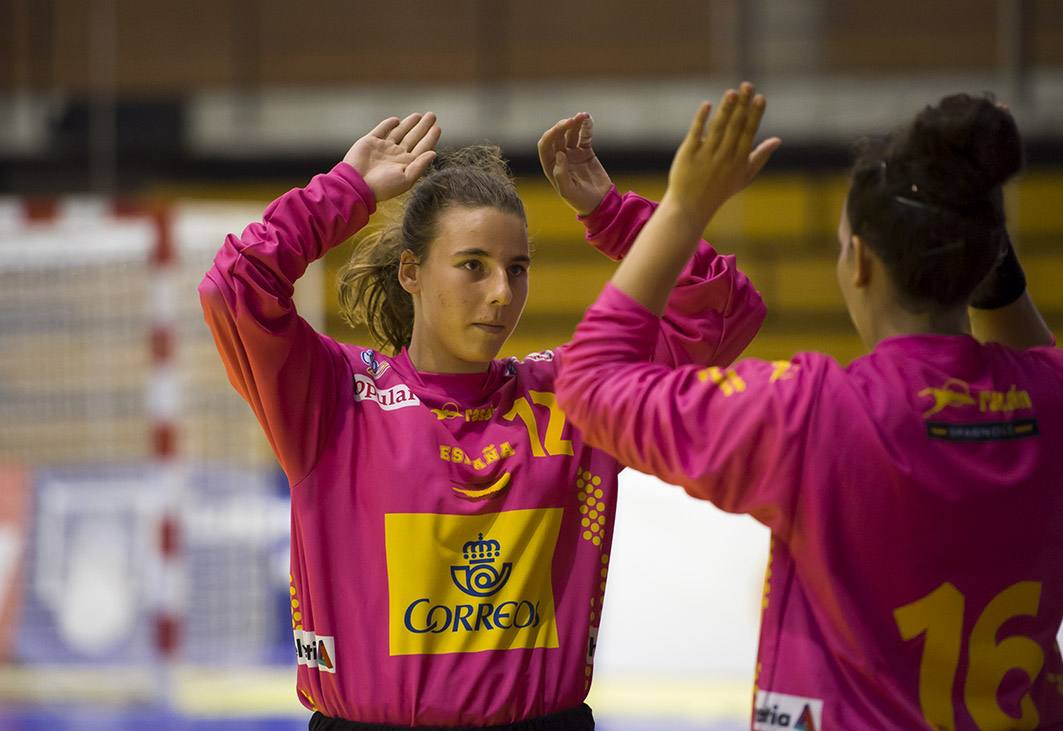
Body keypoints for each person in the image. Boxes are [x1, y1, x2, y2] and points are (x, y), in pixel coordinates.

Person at [198, 107, 770, 729]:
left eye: (516, 269)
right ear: (412, 272)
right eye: (473, 265)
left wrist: (609, 210)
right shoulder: (335, 396)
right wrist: (344, 191)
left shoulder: (574, 398)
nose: (501, 292)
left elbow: (722, 309)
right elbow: (233, 288)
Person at [556, 84, 1062, 730]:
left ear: (860, 265)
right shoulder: (1047, 401)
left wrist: (683, 207)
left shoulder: (815, 411)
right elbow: (1037, 360)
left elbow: (591, 380)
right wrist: (984, 252)